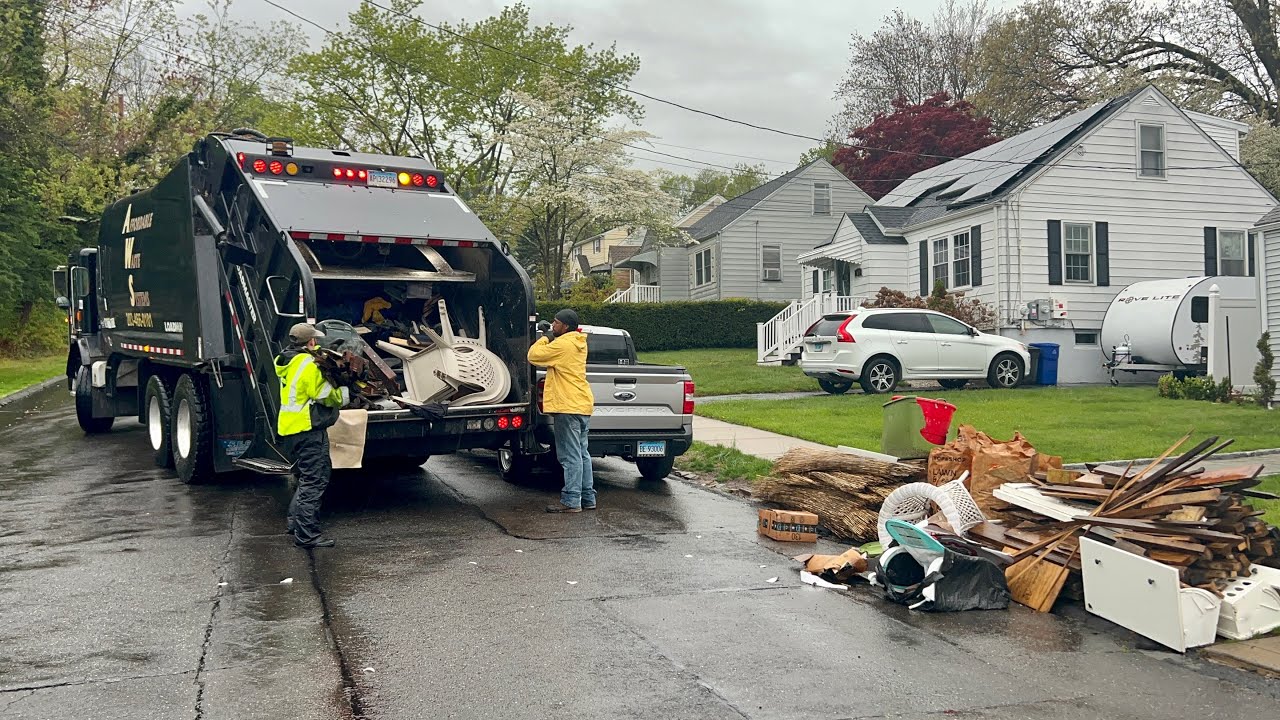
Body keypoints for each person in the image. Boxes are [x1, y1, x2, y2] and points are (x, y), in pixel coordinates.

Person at [275, 322, 348, 548]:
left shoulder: (286, 361)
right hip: (308, 429)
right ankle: (307, 535)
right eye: (314, 340)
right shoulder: (307, 364)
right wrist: (343, 393)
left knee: (309, 478)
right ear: (310, 342)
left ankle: (294, 523)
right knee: (314, 481)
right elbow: (324, 394)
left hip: (292, 428)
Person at [527, 309, 595, 513]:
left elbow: (533, 355)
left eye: (556, 323)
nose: (553, 326)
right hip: (581, 404)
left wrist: (545, 337)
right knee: (583, 454)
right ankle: (588, 497)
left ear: (565, 326)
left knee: (569, 455)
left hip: (567, 406)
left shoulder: (563, 345)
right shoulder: (577, 342)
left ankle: (572, 500)